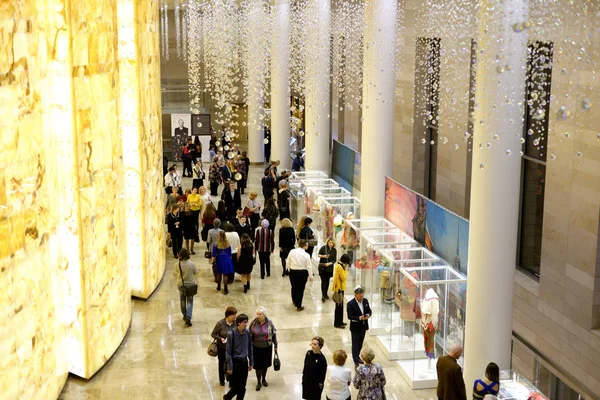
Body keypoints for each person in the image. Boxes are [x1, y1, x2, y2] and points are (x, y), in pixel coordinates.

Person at [224, 314, 254, 400]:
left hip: (244, 362)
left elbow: (250, 348)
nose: (246, 324)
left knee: (243, 386)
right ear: (239, 323)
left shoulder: (247, 332)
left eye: (246, 322)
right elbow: (228, 352)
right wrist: (230, 367)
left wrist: (251, 362)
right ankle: (227, 397)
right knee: (237, 386)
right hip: (235, 363)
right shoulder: (231, 334)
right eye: (244, 322)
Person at [249, 307, 278, 392]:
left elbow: (274, 334)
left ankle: (264, 379)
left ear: (264, 315)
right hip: (256, 348)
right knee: (257, 365)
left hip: (267, 347)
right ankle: (258, 381)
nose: (258, 316)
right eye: (257, 314)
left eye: (260, 314)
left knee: (265, 365)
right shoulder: (253, 323)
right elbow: (250, 335)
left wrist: (276, 345)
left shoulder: (269, 323)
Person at [212, 306, 238, 386]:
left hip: (232, 348)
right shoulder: (220, 324)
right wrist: (220, 338)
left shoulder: (236, 323)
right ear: (228, 315)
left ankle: (231, 380)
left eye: (235, 314)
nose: (235, 316)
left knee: (232, 364)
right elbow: (213, 334)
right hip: (222, 348)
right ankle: (222, 380)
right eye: (233, 315)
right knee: (222, 364)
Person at [347, 286, 372, 366]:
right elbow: (350, 316)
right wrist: (359, 318)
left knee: (360, 343)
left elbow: (369, 311)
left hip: (363, 326)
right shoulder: (351, 304)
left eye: (362, 295)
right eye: (360, 296)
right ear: (355, 295)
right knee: (355, 344)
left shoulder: (365, 301)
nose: (361, 297)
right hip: (355, 327)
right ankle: (355, 360)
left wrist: (368, 315)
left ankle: (358, 356)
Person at [287, 239, 315, 311]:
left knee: (293, 286)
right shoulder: (306, 255)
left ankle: (294, 300)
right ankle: (298, 305)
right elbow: (309, 266)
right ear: (305, 246)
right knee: (300, 289)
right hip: (302, 273)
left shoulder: (292, 251)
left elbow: (288, 261)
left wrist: (289, 269)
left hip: (293, 271)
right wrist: (311, 276)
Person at [176, 249, 198, 327]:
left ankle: (184, 315)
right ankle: (188, 317)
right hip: (190, 285)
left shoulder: (177, 264)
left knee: (182, 300)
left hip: (181, 284)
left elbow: (176, 272)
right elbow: (196, 272)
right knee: (190, 301)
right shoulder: (192, 264)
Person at [332, 254, 351, 329]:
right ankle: (337, 323)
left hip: (340, 288)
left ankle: (340, 321)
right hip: (339, 289)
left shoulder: (338, 265)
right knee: (339, 307)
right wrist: (346, 270)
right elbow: (343, 278)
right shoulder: (340, 267)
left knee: (340, 306)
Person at [318, 237, 337, 302]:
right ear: (328, 242)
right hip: (322, 266)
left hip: (329, 267)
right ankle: (323, 295)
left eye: (332, 243)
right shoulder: (324, 248)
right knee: (323, 281)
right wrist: (324, 256)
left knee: (327, 280)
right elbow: (318, 255)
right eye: (330, 242)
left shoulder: (334, 250)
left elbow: (334, 259)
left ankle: (325, 293)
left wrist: (330, 263)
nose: (331, 244)